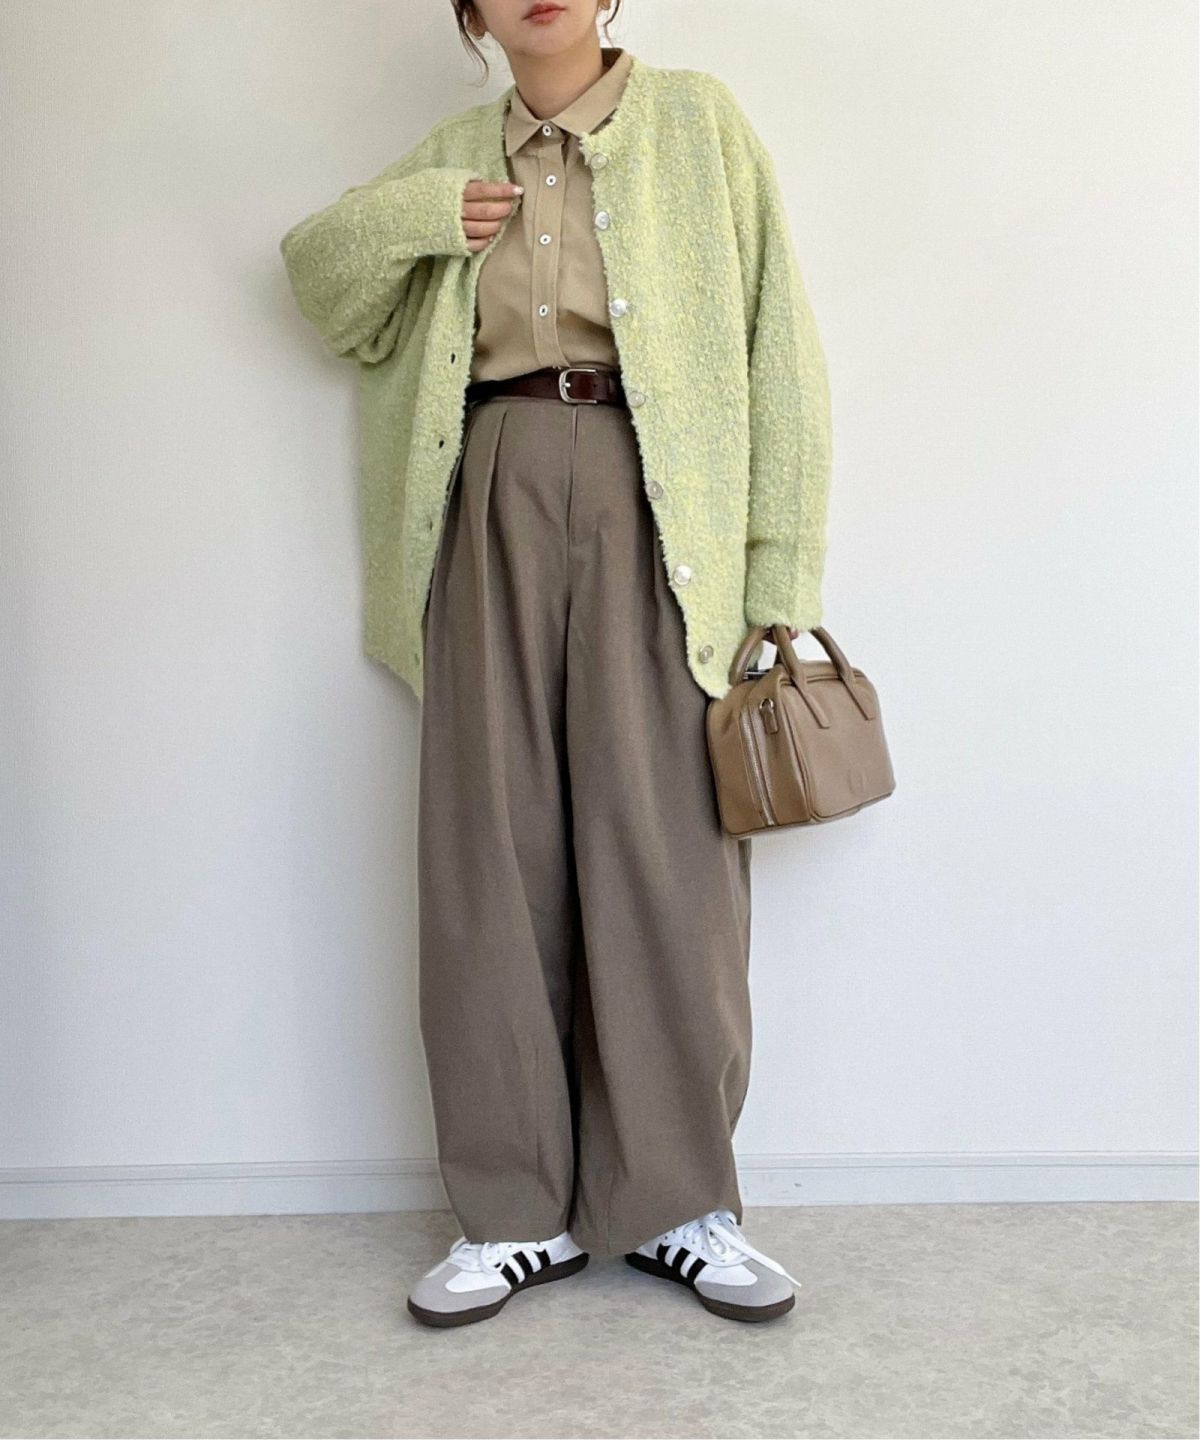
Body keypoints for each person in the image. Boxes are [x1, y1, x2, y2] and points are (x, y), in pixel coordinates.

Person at [278, 0, 833, 1327]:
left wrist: (777, 579)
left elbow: (780, 350)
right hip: (491, 486)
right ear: (469, 11)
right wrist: (424, 218)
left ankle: (678, 1205)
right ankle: (512, 1213)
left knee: (669, 857)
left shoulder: (698, 124)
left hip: (663, 507)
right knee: (490, 855)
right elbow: (320, 286)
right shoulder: (451, 152)